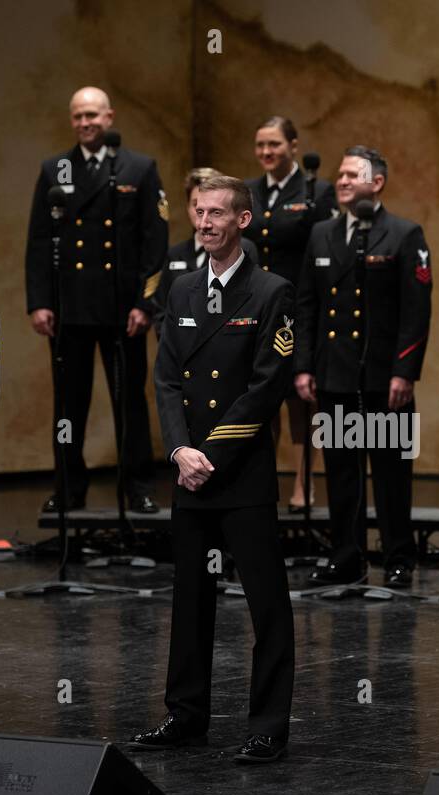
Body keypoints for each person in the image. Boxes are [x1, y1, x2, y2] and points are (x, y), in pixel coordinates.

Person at [130, 175, 297, 763]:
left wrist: (211, 454)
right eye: (199, 212)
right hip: (190, 472)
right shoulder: (179, 291)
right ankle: (185, 714)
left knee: (266, 604)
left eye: (217, 213)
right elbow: (167, 379)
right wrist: (179, 451)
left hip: (241, 474)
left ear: (243, 221)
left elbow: (264, 387)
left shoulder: (272, 292)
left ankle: (269, 726)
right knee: (190, 601)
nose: (204, 222)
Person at [24, 86, 168, 513]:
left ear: (109, 117)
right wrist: (39, 301)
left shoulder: (139, 168)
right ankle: (68, 487)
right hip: (70, 308)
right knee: (69, 406)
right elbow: (38, 240)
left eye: (92, 115)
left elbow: (154, 242)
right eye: (78, 116)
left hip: (123, 309)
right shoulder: (57, 169)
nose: (85, 123)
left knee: (130, 403)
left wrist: (147, 303)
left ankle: (138, 486)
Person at [294, 146, 432, 586]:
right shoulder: (321, 234)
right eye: (341, 174)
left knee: (391, 474)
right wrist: (303, 367)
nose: (343, 180)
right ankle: (346, 555)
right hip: (335, 375)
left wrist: (404, 372)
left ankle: (397, 557)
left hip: (383, 379)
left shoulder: (404, 234)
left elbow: (416, 312)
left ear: (378, 183)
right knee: (342, 471)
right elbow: (307, 305)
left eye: (353, 174)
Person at [243, 117, 335, 510]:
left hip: (297, 307)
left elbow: (325, 253)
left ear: (294, 146)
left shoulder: (317, 191)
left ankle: (304, 482)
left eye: (275, 145)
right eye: (260, 144)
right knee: (262, 396)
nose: (266, 152)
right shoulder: (247, 190)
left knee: (300, 399)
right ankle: (264, 482)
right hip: (254, 309)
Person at [150, 167, 259, 336]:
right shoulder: (174, 253)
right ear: (188, 208)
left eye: (215, 210)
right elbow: (161, 311)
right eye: (198, 208)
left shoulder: (245, 249)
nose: (204, 218)